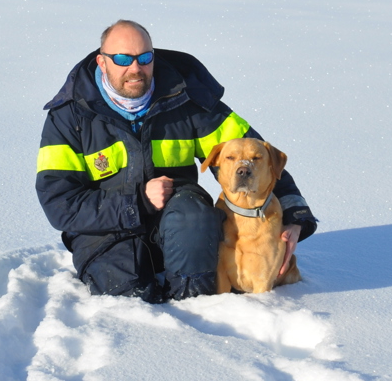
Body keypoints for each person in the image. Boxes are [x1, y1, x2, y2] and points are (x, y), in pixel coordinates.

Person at [35, 20, 318, 302]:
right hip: (105, 231)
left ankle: (194, 310)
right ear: (102, 61)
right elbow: (60, 205)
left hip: (181, 227)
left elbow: (258, 160)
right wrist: (137, 203)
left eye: (144, 58)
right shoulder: (69, 117)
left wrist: (295, 217)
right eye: (122, 59)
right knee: (127, 298)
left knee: (194, 219)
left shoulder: (188, 100)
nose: (135, 68)